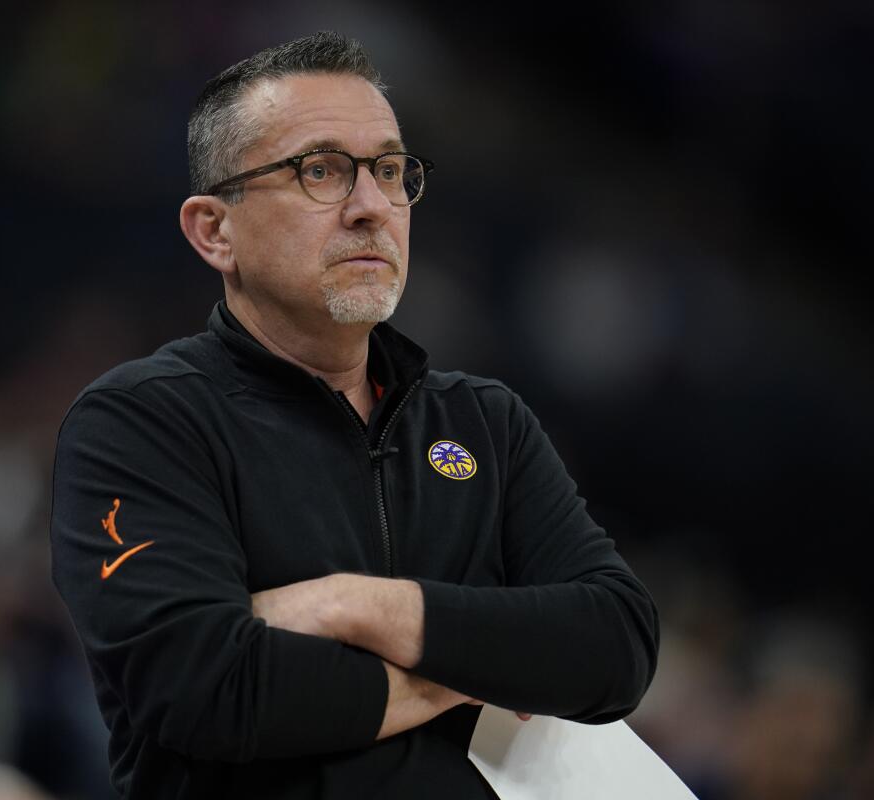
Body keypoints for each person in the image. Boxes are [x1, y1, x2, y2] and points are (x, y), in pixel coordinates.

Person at [49, 31, 659, 799]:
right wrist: (480, 667)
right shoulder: (140, 423)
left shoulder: (484, 423)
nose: (373, 207)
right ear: (215, 230)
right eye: (322, 171)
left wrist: (360, 607)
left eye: (392, 172)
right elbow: (208, 688)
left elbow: (617, 645)